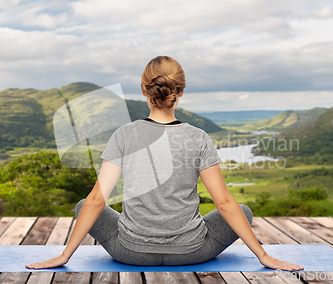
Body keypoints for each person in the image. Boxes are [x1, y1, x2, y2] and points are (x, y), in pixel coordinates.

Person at [26, 56, 304, 270]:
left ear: (145, 91)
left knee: (82, 206)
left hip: (131, 252)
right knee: (242, 210)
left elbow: (97, 200)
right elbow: (225, 204)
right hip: (191, 252)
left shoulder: (124, 134)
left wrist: (65, 255)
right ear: (179, 92)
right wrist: (264, 255)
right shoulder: (198, 137)